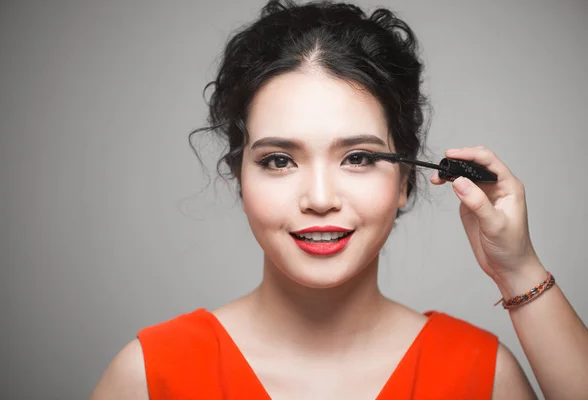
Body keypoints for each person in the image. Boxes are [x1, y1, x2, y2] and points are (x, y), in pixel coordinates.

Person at [90, 1, 588, 399]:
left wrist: (518, 270)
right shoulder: (150, 376)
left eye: (358, 158)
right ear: (239, 179)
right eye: (279, 160)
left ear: (407, 181)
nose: (321, 199)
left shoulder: (482, 376)